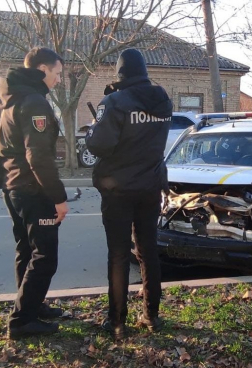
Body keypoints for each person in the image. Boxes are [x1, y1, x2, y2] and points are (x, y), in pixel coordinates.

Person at [86, 48, 172, 342]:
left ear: (121, 73)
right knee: (149, 251)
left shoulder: (114, 101)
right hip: (150, 187)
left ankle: (117, 322)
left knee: (119, 255)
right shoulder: (162, 99)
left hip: (118, 189)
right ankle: (152, 315)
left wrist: (93, 127)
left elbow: (98, 144)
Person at [0, 47, 69, 340]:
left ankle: (31, 306)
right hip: (33, 189)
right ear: (41, 70)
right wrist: (59, 198)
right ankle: (22, 321)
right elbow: (38, 157)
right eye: (57, 73)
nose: (58, 80)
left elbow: (1, 147)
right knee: (45, 256)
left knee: (26, 249)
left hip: (12, 186)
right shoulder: (35, 102)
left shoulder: (5, 97)